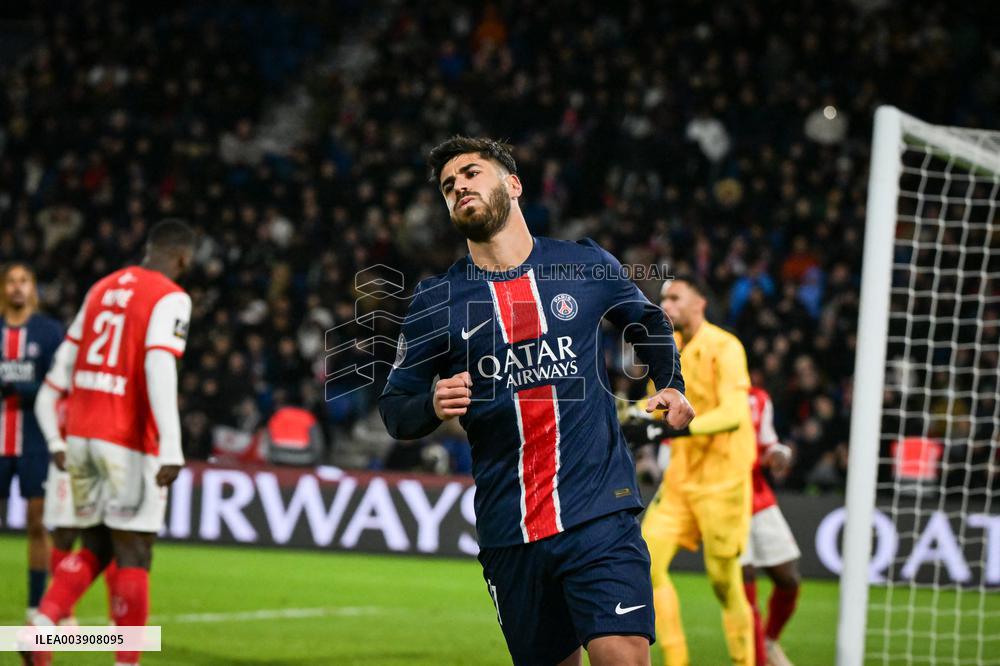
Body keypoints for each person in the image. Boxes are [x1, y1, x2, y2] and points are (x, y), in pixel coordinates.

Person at [378, 136, 694, 666]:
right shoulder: (437, 301)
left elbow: (649, 320)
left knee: (624, 658)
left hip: (599, 511)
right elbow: (396, 408)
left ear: (513, 184)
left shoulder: (584, 264)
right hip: (510, 530)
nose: (459, 189)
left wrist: (670, 381)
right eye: (448, 186)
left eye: (472, 174)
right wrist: (432, 402)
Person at [28, 219, 195, 666]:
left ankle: (43, 627)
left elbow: (62, 364)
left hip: (80, 435)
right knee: (135, 550)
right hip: (126, 439)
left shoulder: (100, 288)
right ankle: (125, 662)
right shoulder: (171, 296)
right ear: (184, 258)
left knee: (98, 547)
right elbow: (159, 365)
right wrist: (172, 446)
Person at [641, 276, 756, 665]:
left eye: (675, 297)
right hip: (680, 481)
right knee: (646, 563)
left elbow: (735, 413)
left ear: (700, 302)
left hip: (723, 481)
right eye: (663, 299)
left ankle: (744, 661)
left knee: (724, 583)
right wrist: (631, 414)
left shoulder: (725, 347)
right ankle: (676, 661)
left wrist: (676, 426)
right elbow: (656, 404)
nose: (666, 305)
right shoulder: (668, 348)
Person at [0, 263, 64, 621]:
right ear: (3, 289)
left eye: (24, 280)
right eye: (10, 281)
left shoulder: (49, 331)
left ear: (33, 287)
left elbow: (60, 384)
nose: (17, 288)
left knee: (38, 525)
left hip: (35, 441)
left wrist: (22, 388)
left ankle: (36, 605)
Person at [743, 386, 801, 666]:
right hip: (722, 500)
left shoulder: (758, 398)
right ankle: (758, 660)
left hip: (759, 495)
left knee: (788, 578)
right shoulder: (705, 393)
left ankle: (769, 639)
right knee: (745, 586)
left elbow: (768, 445)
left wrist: (780, 454)